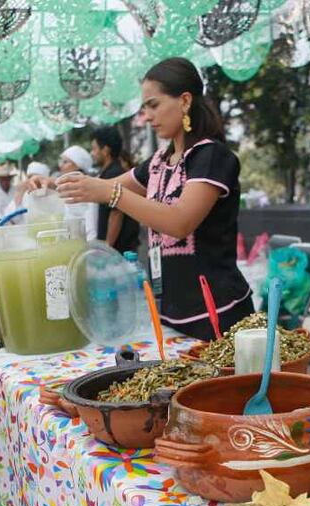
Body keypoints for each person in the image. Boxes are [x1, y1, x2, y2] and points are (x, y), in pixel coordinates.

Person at [48, 57, 255, 340]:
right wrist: (51, 184)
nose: (147, 117)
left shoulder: (211, 157)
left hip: (218, 316)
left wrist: (112, 194)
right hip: (171, 315)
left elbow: (180, 221)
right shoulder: (159, 163)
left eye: (153, 105)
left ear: (184, 101)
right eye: (144, 108)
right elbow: (101, 186)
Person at [91, 125, 140, 253]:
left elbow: (116, 213)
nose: (92, 154)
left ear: (105, 150)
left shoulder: (114, 173)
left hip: (119, 250)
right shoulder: (109, 172)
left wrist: (107, 247)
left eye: (94, 149)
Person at [57, 145, 98, 241]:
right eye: (61, 161)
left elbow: (91, 229)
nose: (61, 165)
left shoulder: (86, 189)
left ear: (77, 165)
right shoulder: (66, 188)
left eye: (65, 162)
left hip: (82, 248)